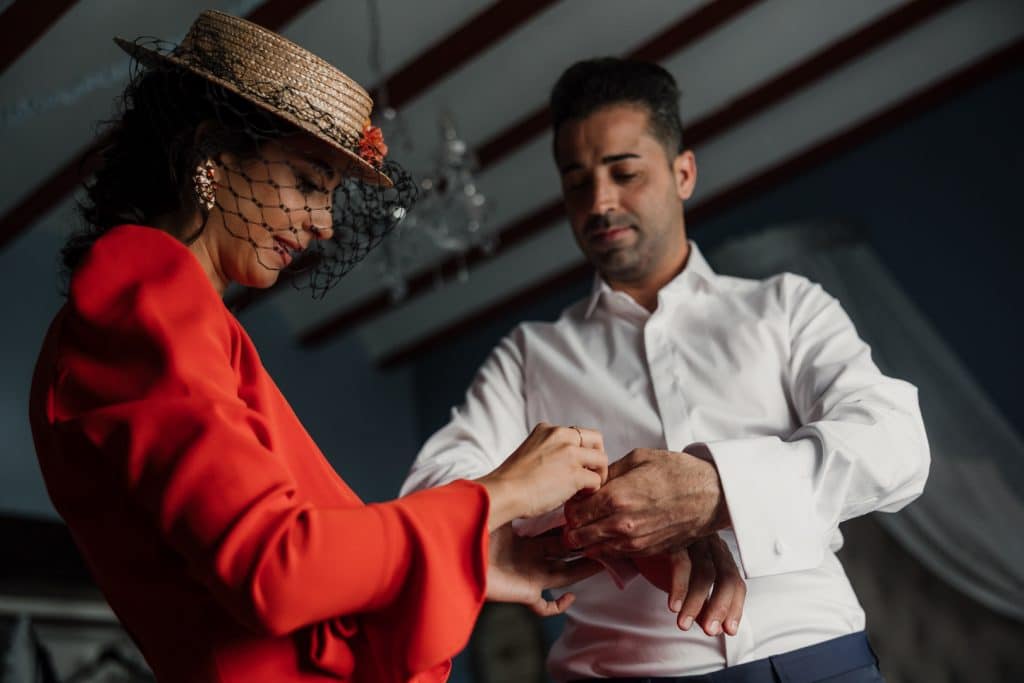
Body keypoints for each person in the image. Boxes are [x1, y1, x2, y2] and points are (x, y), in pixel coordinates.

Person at [28, 12, 610, 683]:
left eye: (330, 196)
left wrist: (469, 557)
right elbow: (277, 569)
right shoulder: (144, 294)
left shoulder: (172, 312)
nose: (327, 225)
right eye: (308, 182)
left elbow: (288, 566)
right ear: (211, 157)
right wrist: (497, 493)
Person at [401, 58, 930, 682]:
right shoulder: (527, 357)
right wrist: (607, 519)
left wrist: (715, 490)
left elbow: (895, 443)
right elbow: (432, 492)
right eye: (577, 182)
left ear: (683, 172)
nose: (599, 202)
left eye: (625, 172)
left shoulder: (786, 307)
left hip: (817, 661)